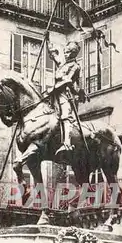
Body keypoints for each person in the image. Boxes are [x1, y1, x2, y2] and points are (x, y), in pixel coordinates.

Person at [46, 32, 87, 163]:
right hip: (54, 93)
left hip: (65, 94)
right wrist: (47, 40)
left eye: (69, 52)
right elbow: (53, 54)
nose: (66, 53)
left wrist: (55, 86)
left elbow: (68, 81)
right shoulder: (63, 63)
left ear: (74, 54)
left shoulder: (75, 66)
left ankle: (67, 143)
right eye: (66, 51)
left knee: (65, 116)